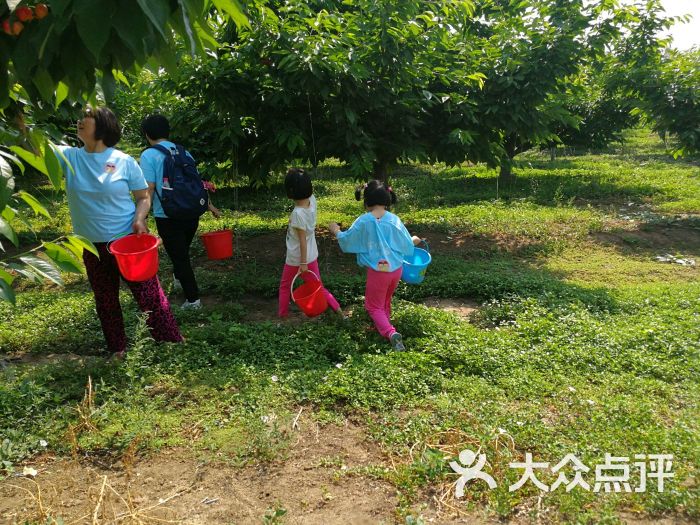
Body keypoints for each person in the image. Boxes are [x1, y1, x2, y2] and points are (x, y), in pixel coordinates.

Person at [58, 106, 183, 357]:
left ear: (103, 125)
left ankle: (170, 341)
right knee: (105, 300)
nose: (80, 121)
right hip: (91, 244)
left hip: (126, 241)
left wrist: (139, 218)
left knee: (148, 294)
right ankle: (117, 348)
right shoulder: (69, 157)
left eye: (87, 117)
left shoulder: (124, 161)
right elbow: (32, 145)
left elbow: (143, 197)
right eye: (80, 117)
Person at [139, 114, 221, 310]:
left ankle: (193, 300)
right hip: (192, 212)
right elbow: (195, 184)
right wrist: (208, 205)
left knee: (180, 257)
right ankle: (178, 278)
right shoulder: (184, 151)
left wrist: (141, 216)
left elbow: (148, 188)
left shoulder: (148, 155)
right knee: (181, 251)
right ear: (168, 131)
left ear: (147, 134)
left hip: (168, 215)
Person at [328, 180, 421, 351]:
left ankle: (390, 332)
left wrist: (335, 230)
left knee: (372, 305)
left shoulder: (364, 221)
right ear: (387, 199)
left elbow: (348, 239)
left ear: (366, 202)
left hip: (379, 271)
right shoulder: (394, 219)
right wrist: (414, 240)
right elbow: (407, 243)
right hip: (396, 270)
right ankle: (383, 325)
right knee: (385, 300)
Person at [278, 168, 341, 318]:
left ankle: (283, 316)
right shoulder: (312, 201)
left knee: (285, 286)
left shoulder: (297, 214)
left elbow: (302, 241)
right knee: (318, 286)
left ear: (290, 191)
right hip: (311, 255)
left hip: (297, 259)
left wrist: (303, 263)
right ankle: (339, 311)